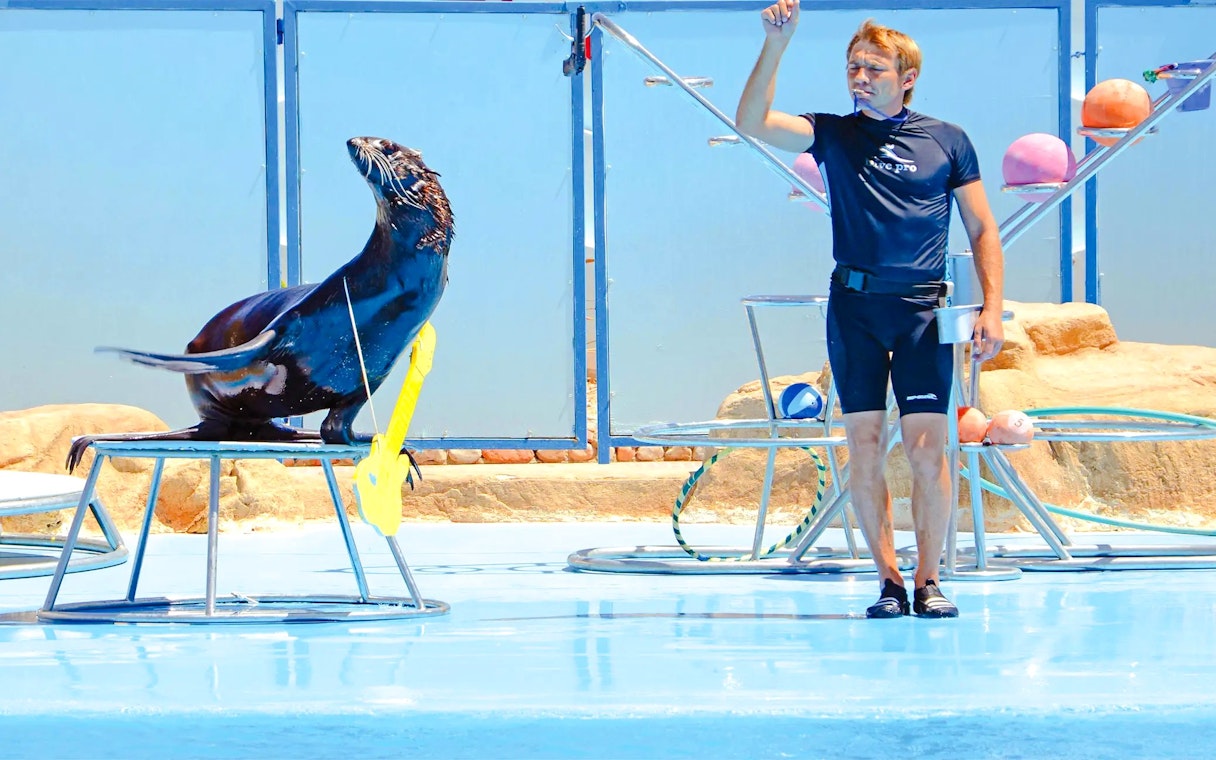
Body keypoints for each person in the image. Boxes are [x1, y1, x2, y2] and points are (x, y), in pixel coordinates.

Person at [735, 1, 1005, 618]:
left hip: (920, 311)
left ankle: (930, 579)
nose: (860, 77)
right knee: (863, 441)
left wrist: (992, 306)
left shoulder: (948, 140)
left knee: (928, 447)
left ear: (906, 76)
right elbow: (751, 121)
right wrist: (777, 44)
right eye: (853, 67)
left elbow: (983, 228)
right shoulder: (835, 133)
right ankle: (887, 580)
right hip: (855, 306)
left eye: (874, 68)